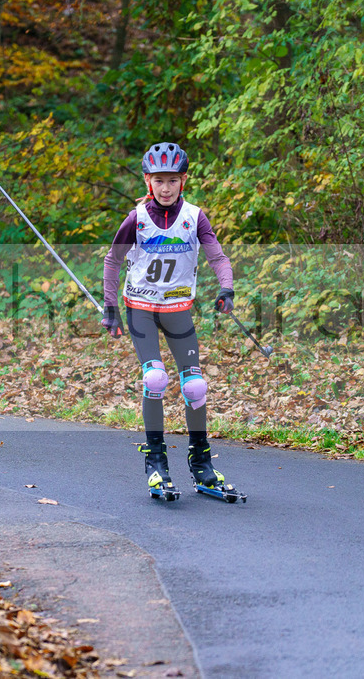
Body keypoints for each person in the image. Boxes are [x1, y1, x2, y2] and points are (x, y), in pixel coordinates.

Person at [101, 142, 241, 500]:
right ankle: (156, 462)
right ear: (149, 181)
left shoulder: (195, 217)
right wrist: (110, 307)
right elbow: (112, 261)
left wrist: (226, 288)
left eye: (173, 181)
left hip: (179, 309)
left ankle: (201, 463)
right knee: (155, 377)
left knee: (195, 386)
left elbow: (218, 257)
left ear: (183, 181)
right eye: (159, 181)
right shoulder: (138, 219)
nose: (166, 188)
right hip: (142, 309)